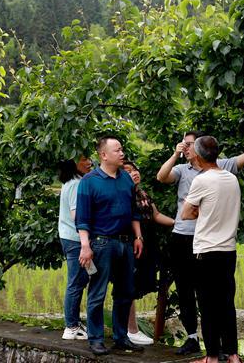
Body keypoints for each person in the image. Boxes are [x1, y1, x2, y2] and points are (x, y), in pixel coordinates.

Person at [156, 116, 244, 355]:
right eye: (184, 144)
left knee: (211, 297)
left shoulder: (221, 167)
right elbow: (162, 177)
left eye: (191, 143)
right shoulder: (183, 170)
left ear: (201, 149)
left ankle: (219, 350)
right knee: (187, 289)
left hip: (207, 243)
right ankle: (194, 338)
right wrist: (175, 154)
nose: (187, 147)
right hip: (185, 237)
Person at [75, 136, 144, 356]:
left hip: (126, 243)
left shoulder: (125, 178)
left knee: (125, 292)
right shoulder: (89, 181)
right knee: (98, 292)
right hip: (102, 242)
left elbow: (133, 211)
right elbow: (82, 219)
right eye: (117, 150)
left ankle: (121, 337)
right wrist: (85, 246)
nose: (122, 154)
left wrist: (138, 236)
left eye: (122, 149)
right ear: (103, 155)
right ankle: (95, 339)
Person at [181, 135, 242, 363]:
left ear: (197, 155)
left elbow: (186, 213)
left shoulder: (201, 181)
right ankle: (233, 354)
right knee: (227, 303)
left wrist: (202, 211)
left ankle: (213, 357)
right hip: (228, 250)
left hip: (206, 251)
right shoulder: (231, 179)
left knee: (207, 305)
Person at [122, 161, 175, 345]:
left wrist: (179, 224)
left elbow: (156, 215)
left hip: (148, 244)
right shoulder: (123, 195)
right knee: (128, 285)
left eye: (135, 169)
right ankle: (130, 329)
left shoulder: (143, 194)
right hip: (133, 243)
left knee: (137, 285)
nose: (134, 173)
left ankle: (130, 329)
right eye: (128, 172)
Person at [58, 156, 92, 340]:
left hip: (70, 237)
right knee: (76, 282)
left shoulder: (73, 181)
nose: (89, 163)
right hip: (75, 239)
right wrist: (85, 243)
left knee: (77, 281)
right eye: (84, 160)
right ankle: (71, 326)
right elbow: (77, 215)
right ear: (73, 164)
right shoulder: (76, 184)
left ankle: (74, 324)